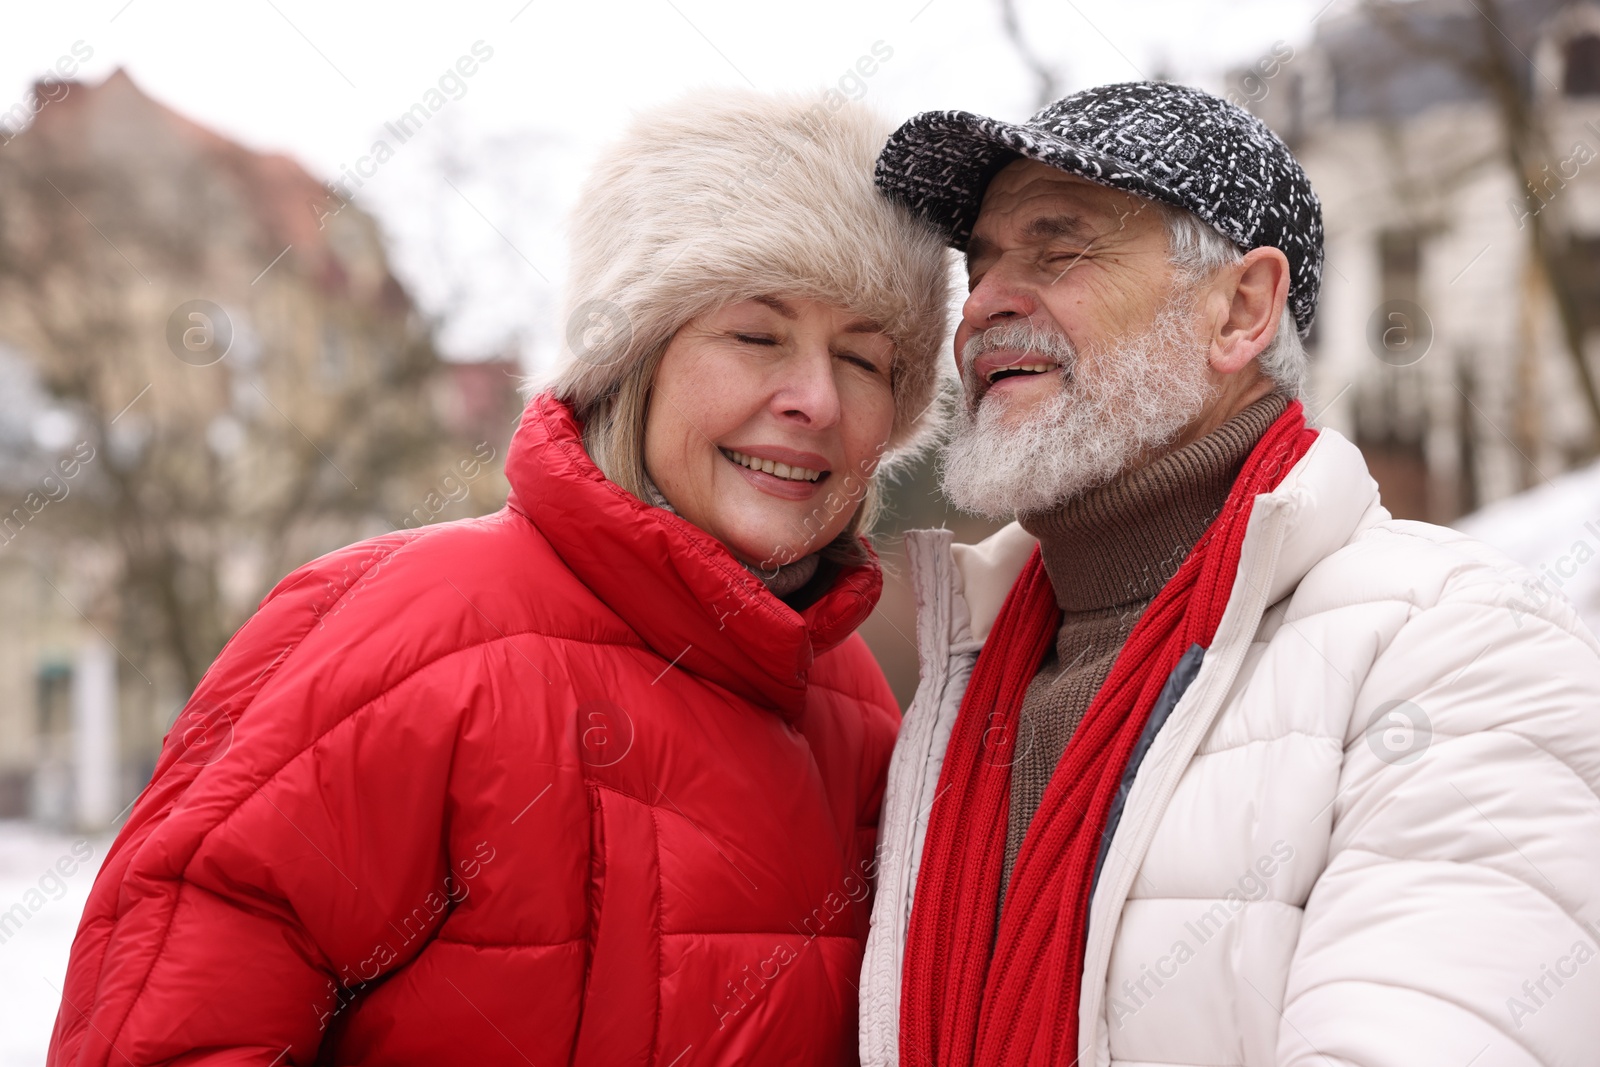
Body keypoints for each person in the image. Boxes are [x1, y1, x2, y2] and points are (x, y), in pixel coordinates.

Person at [48, 89, 951, 1066]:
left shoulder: (860, 710)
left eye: (863, 359)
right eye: (755, 335)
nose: (814, 398)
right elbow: (169, 1029)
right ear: (631, 361)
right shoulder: (402, 629)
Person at [858, 81, 1600, 1066]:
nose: (985, 302)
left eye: (1058, 246)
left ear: (1240, 309)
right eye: (981, 261)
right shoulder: (958, 689)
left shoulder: (1457, 648)